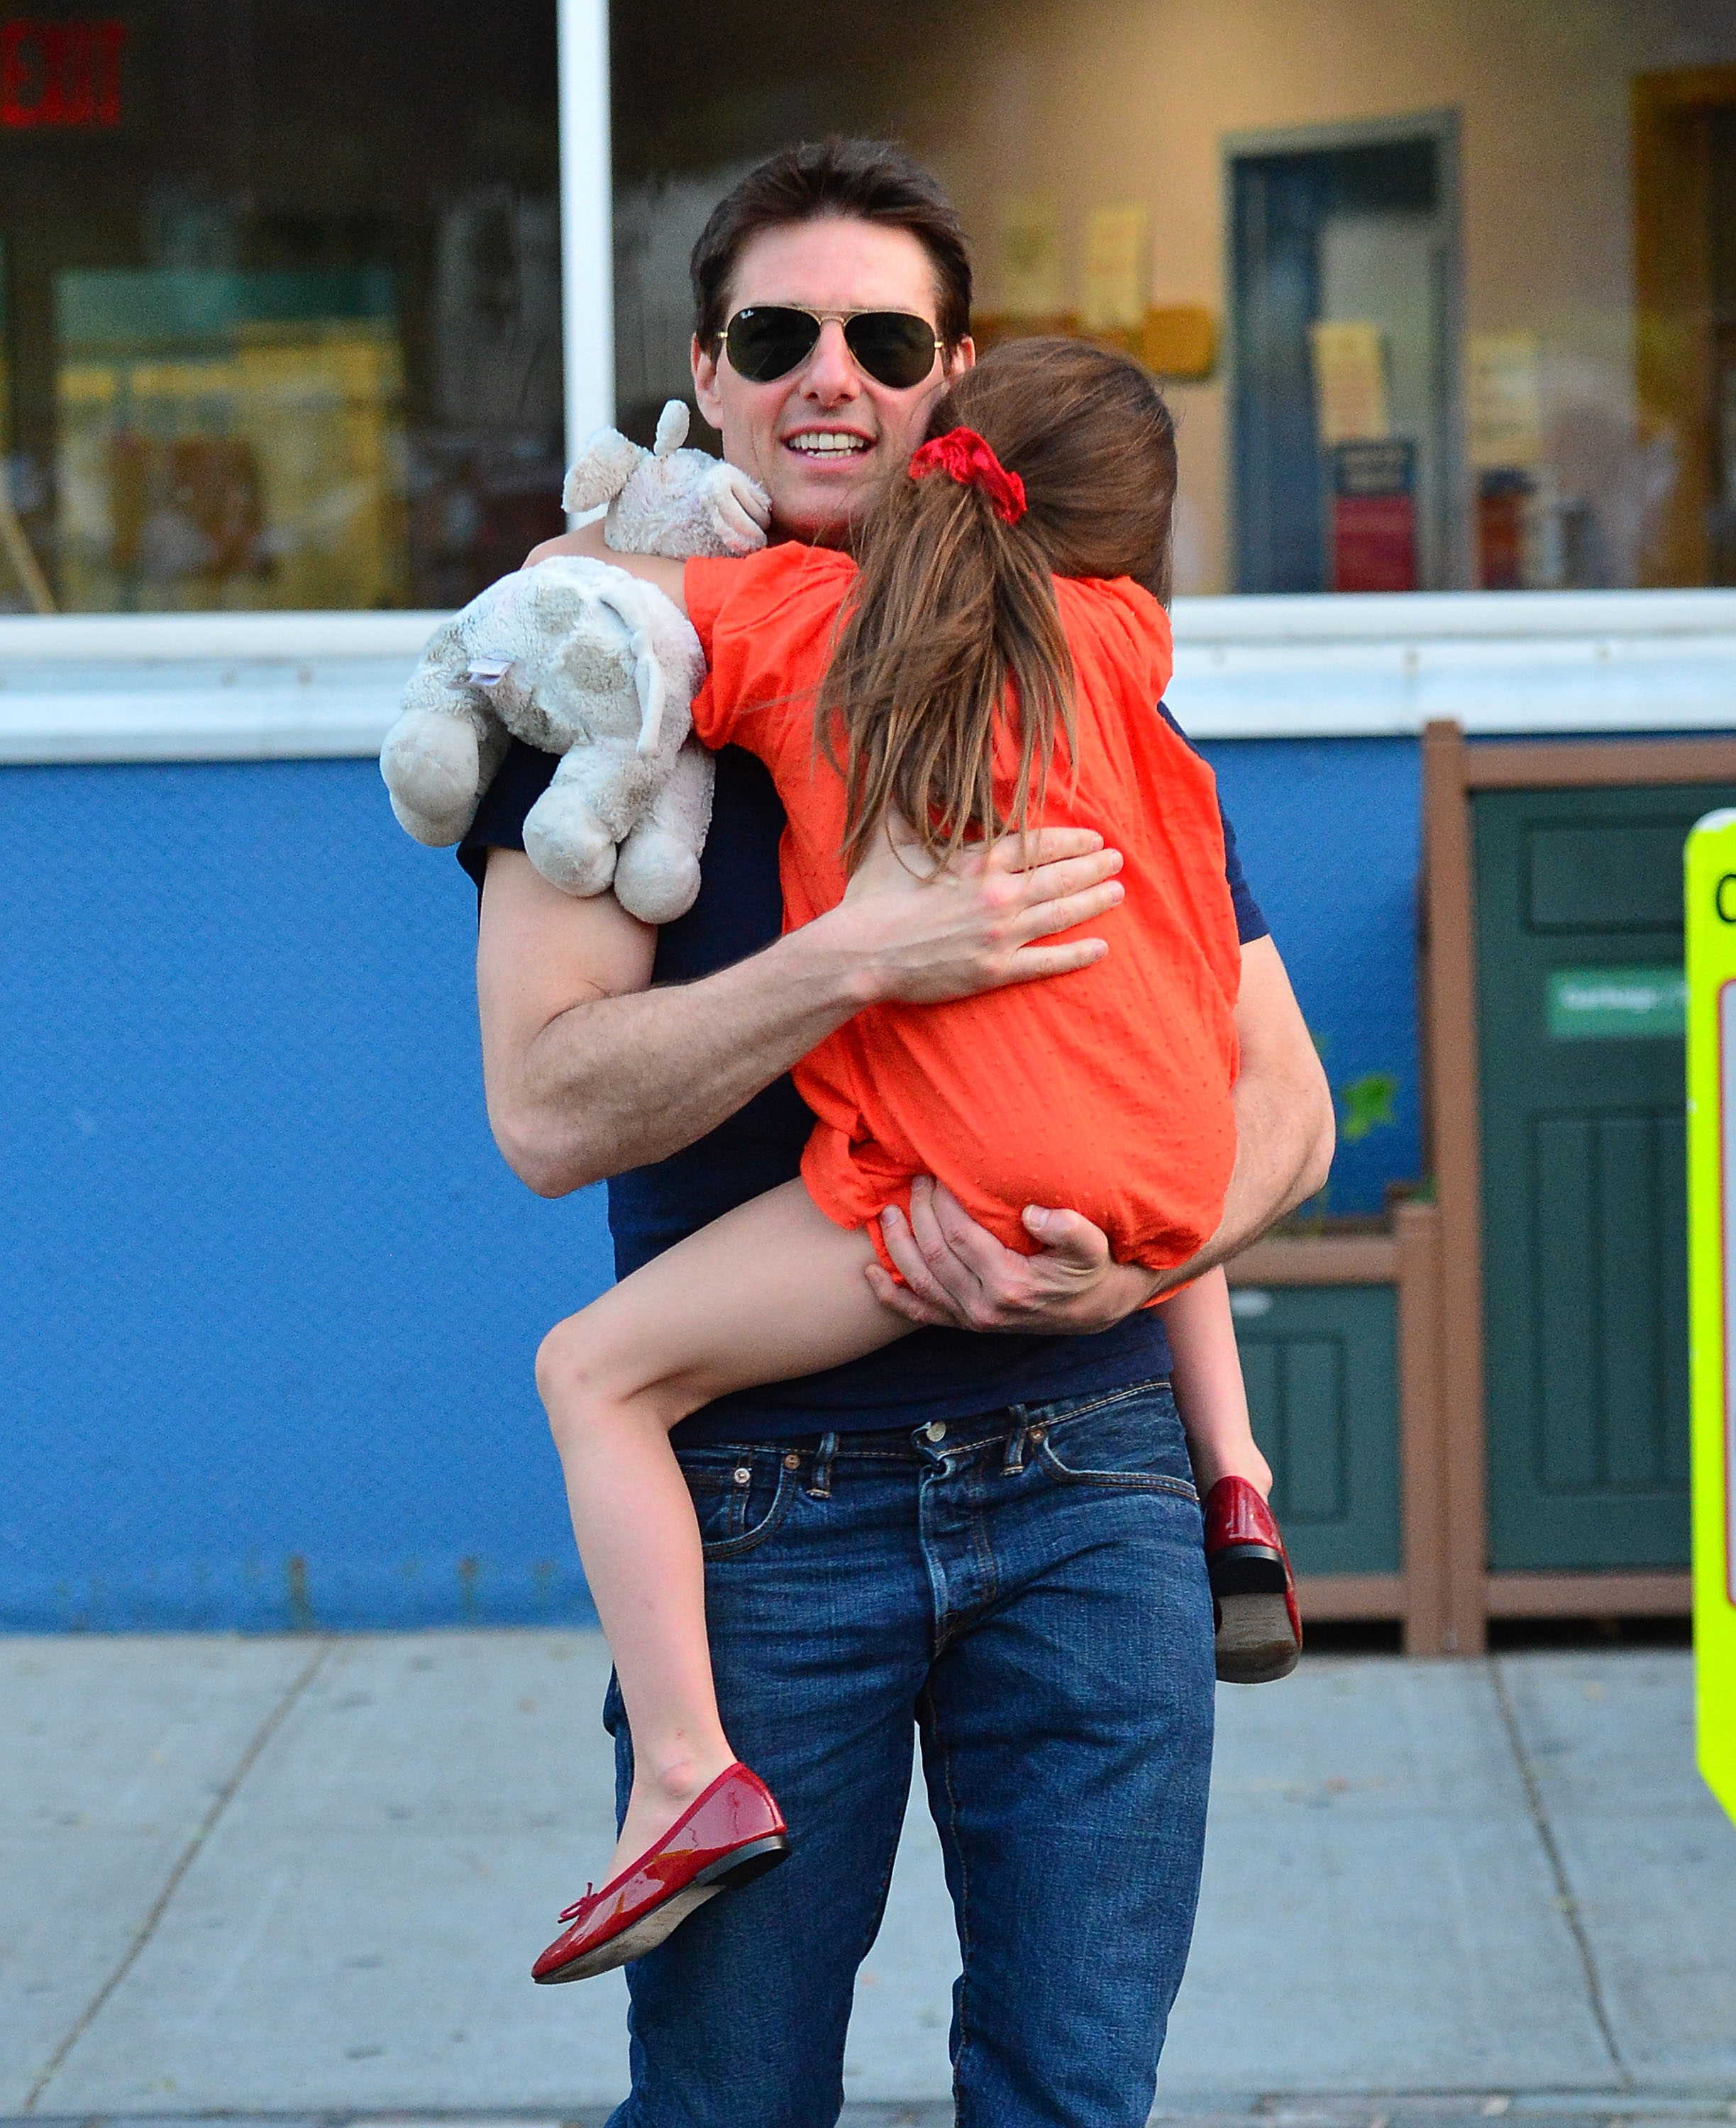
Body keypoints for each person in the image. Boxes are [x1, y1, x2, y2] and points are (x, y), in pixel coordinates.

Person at [464, 139, 1332, 2128]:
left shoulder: (1077, 670)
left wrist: (1121, 1254)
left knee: (1069, 2094)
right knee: (734, 2104)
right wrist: (855, 957)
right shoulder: (615, 708)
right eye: (778, 335)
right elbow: (542, 1111)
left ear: (959, 383)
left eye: (884, 336)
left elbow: (1277, 1105)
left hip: (1089, 1474)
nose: (829, 374)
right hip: (771, 1518)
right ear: (709, 369)